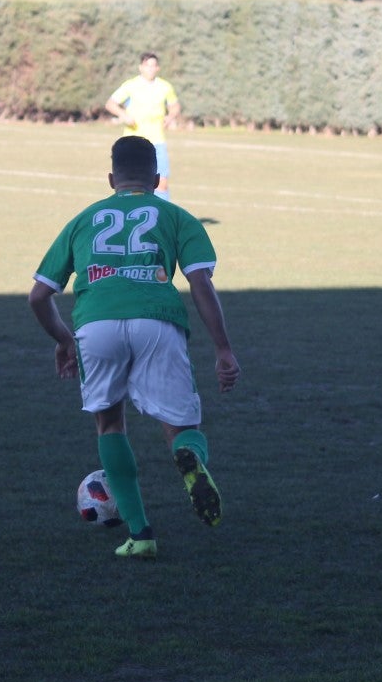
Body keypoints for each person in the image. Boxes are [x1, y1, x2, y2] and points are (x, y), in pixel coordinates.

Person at [29, 135, 240, 560]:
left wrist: (64, 340)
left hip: (96, 324)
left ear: (111, 179)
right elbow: (201, 284)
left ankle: (140, 535)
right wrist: (223, 349)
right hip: (157, 321)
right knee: (183, 427)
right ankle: (187, 455)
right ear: (158, 179)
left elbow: (38, 296)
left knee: (109, 424)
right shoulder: (178, 216)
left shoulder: (83, 220)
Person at [105, 52, 180, 201]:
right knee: (128, 184)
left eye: (153, 66)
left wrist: (170, 116)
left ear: (158, 68)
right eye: (147, 65)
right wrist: (124, 115)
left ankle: (161, 218)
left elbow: (175, 106)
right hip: (132, 142)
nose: (150, 69)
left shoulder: (165, 87)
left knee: (161, 184)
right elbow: (111, 104)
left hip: (157, 141)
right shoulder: (131, 85)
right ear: (141, 67)